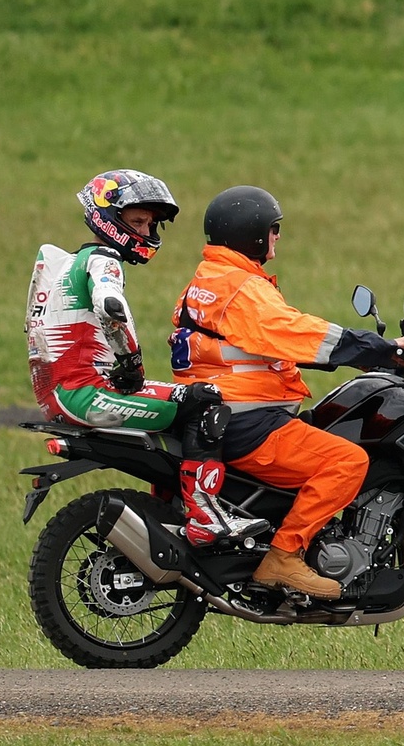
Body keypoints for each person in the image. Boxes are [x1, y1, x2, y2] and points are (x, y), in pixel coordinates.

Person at [169, 185, 404, 600]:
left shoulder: (213, 278)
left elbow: (268, 344)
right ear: (251, 233)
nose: (277, 236)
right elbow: (293, 330)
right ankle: (283, 558)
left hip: (223, 415)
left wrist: (362, 353)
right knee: (347, 461)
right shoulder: (241, 288)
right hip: (245, 421)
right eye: (274, 228)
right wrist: (377, 348)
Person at [24, 169, 262, 547]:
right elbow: (112, 308)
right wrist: (131, 364)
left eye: (150, 223)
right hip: (85, 393)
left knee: (180, 407)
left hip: (62, 393)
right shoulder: (103, 259)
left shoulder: (63, 264)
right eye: (137, 221)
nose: (147, 231)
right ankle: (205, 517)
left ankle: (166, 514)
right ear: (108, 217)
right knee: (206, 404)